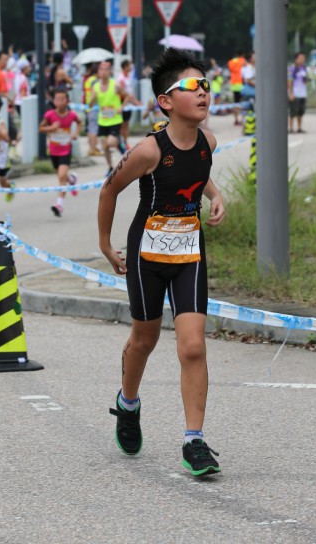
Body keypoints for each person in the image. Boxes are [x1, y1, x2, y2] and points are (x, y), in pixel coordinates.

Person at [98, 48, 225, 476]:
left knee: (193, 345)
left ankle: (194, 441)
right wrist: (105, 244)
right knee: (145, 339)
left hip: (189, 252)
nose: (203, 92)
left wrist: (216, 195)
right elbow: (109, 190)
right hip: (147, 255)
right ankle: (128, 403)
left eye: (205, 84)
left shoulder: (208, 142)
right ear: (166, 101)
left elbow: (197, 172)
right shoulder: (148, 151)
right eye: (192, 86)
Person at [39, 88, 81, 217]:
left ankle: (59, 204)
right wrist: (51, 127)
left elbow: (79, 123)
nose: (59, 102)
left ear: (67, 101)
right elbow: (41, 128)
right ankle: (72, 180)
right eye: (57, 99)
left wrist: (75, 133)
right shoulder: (50, 115)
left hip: (66, 150)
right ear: (54, 101)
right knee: (61, 176)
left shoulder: (71, 115)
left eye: (62, 99)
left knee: (61, 176)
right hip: (53, 150)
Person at [89, 61, 127, 176]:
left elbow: (128, 96)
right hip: (102, 121)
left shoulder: (115, 85)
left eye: (106, 69)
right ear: (98, 72)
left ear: (110, 72)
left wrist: (121, 107)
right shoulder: (95, 87)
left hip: (115, 120)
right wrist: (93, 98)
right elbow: (90, 104)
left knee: (110, 143)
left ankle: (119, 142)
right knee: (104, 146)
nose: (104, 72)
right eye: (101, 69)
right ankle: (110, 167)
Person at [117, 60, 142, 149]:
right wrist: (135, 102)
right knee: (122, 125)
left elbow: (130, 93)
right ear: (125, 67)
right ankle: (121, 143)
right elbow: (123, 93)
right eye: (129, 65)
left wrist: (136, 101)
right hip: (123, 102)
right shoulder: (121, 78)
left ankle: (125, 142)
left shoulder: (128, 77)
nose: (131, 67)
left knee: (126, 124)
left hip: (128, 103)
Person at [83, 63, 101, 156]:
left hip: (88, 107)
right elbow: (96, 94)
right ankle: (93, 149)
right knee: (94, 129)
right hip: (94, 107)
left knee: (90, 129)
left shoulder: (88, 80)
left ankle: (92, 148)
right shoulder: (95, 81)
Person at [288, 52, 308, 134]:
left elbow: (305, 80)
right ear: (296, 59)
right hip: (295, 93)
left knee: (301, 111)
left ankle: (299, 127)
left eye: (303, 58)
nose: (303, 60)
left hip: (303, 93)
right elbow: (289, 81)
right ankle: (291, 128)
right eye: (301, 58)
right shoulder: (291, 69)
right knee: (293, 111)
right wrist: (290, 93)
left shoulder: (304, 68)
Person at [227, 51, 245, 125]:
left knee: (235, 103)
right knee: (243, 103)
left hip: (234, 84)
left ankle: (236, 120)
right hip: (241, 83)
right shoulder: (242, 60)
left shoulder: (230, 62)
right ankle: (242, 120)